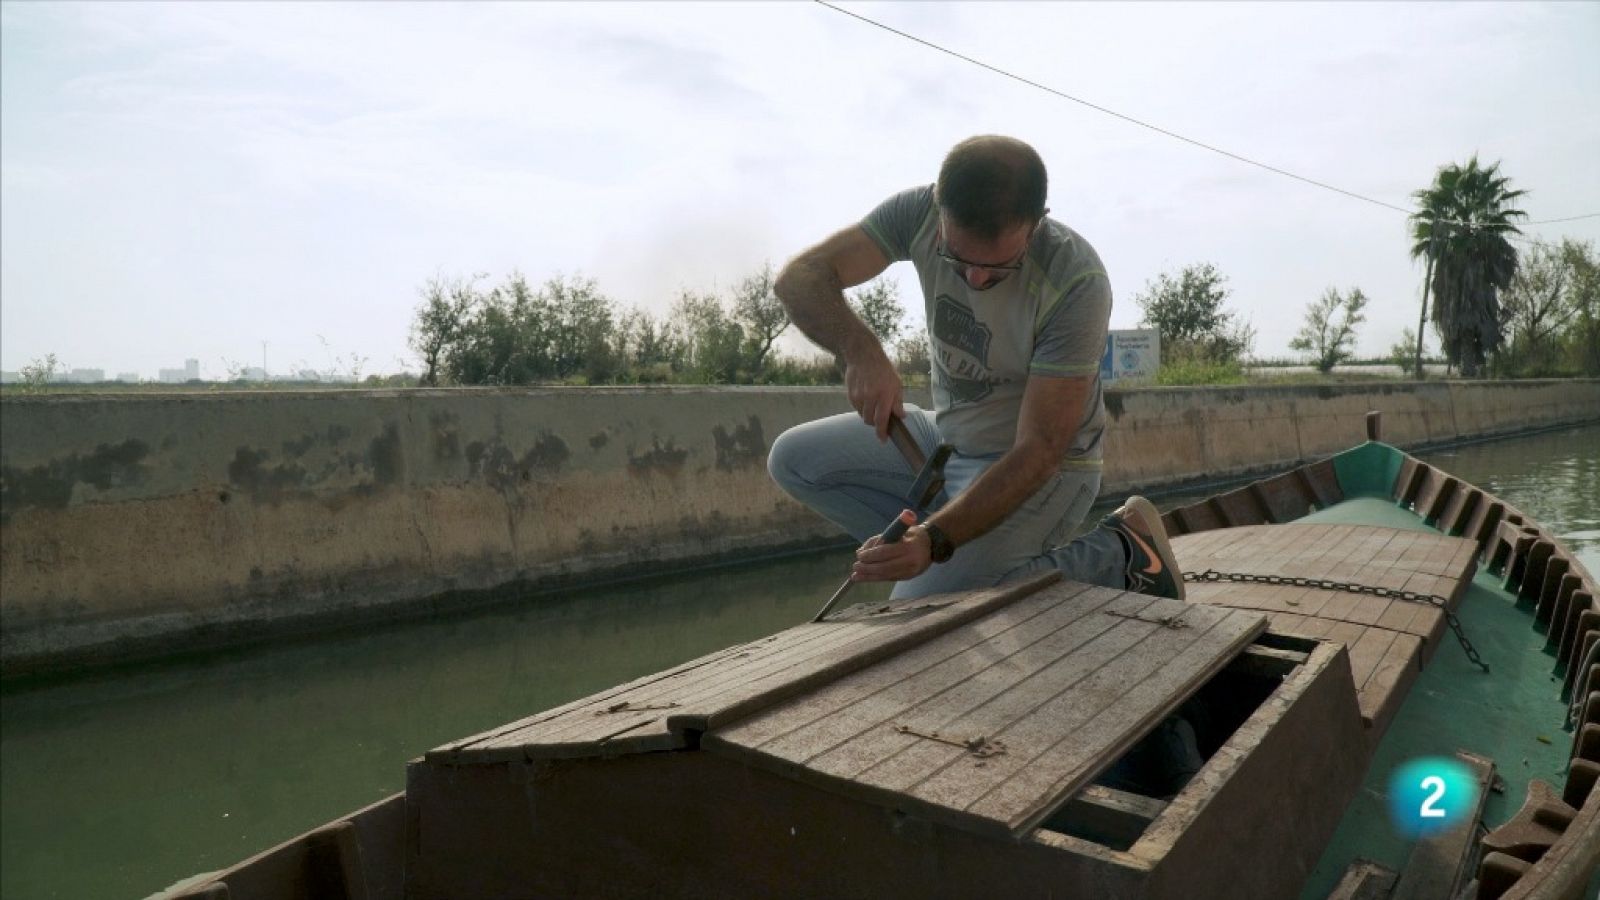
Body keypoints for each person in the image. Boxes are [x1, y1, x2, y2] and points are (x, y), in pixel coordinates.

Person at [768, 134, 1184, 603]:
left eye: (1000, 267)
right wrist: (858, 348)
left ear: (1036, 224)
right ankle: (948, 564)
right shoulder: (916, 213)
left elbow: (1042, 449)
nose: (976, 279)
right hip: (946, 441)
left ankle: (1121, 553)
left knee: (917, 606)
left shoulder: (1076, 281)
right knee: (795, 461)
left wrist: (935, 542)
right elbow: (799, 277)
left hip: (1047, 467)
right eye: (958, 258)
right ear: (938, 210)